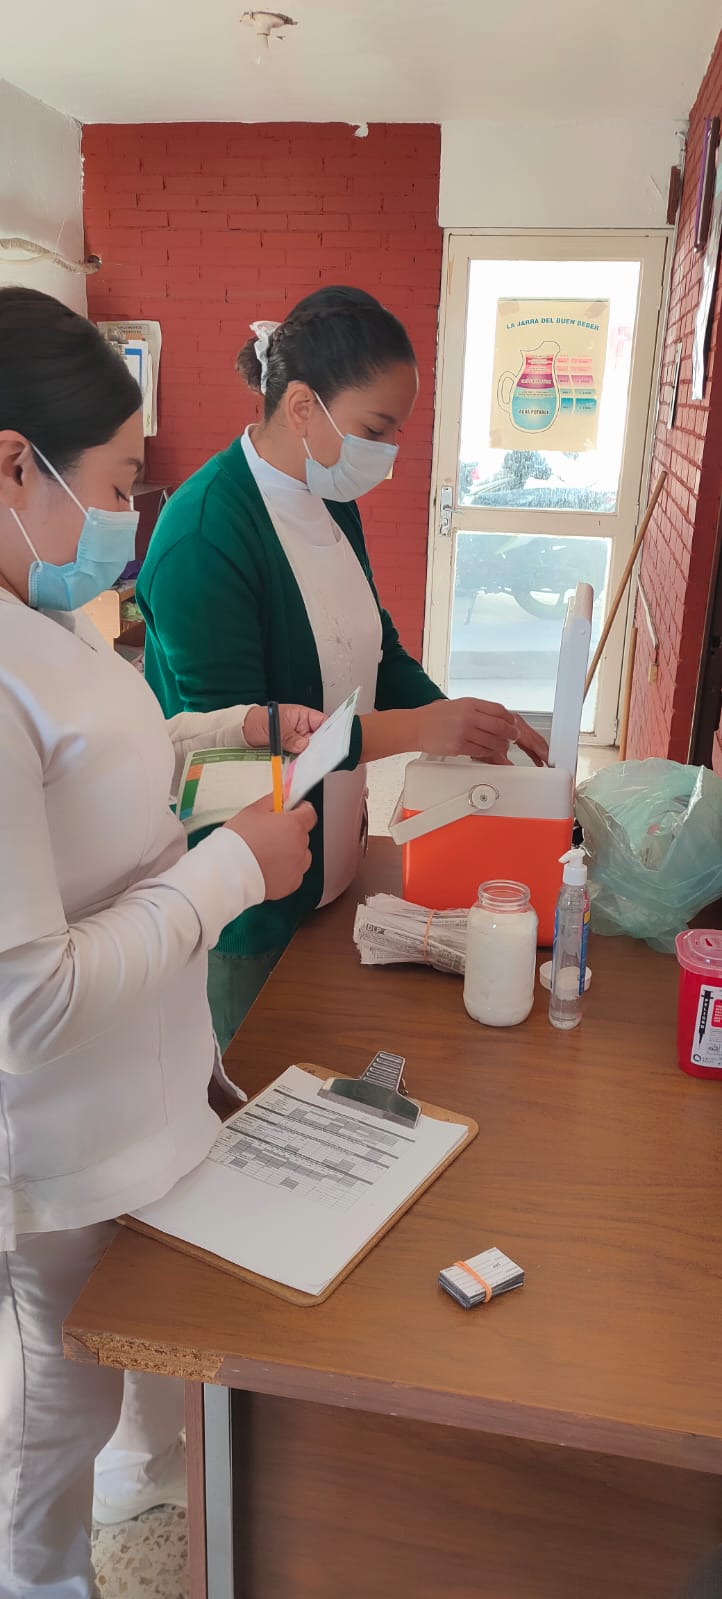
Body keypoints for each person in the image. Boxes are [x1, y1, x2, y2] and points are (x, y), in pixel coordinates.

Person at [0, 286, 319, 1598]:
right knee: (59, 1389)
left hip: (130, 1095)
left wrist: (227, 725)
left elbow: (95, 774)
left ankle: (138, 1482)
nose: (130, 515)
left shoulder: (36, 616)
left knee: (118, 1350)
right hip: (57, 1127)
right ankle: (38, 1574)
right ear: (13, 463)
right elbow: (26, 1003)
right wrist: (229, 872)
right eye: (120, 481)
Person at [138, 285, 547, 1052]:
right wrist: (421, 728)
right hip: (246, 900)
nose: (389, 451)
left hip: (330, 865)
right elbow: (239, 754)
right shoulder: (205, 536)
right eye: (376, 428)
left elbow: (375, 647)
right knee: (250, 1083)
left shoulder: (329, 498)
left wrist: (458, 725)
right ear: (302, 407)